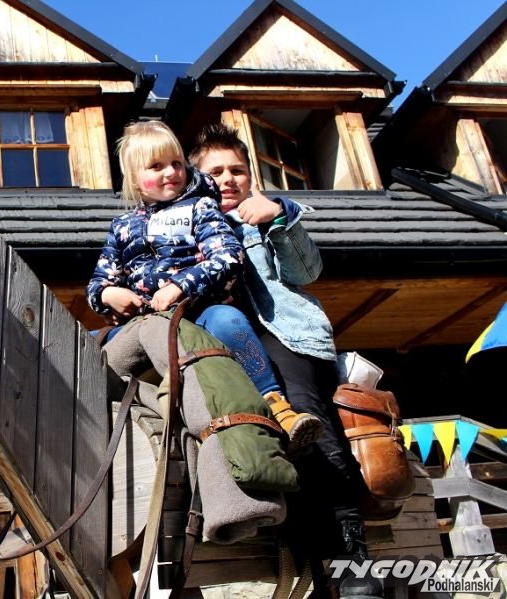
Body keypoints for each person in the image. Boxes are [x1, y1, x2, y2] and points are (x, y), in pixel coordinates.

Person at [189, 123, 381, 598]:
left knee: (309, 428)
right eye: (216, 172)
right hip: (226, 349)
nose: (228, 179)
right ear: (197, 179)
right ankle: (302, 555)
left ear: (251, 177)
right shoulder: (186, 225)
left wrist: (279, 217)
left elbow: (307, 271)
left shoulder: (265, 216)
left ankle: (352, 557)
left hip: (284, 336)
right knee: (258, 442)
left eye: (237, 170)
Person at [86, 120, 322, 453]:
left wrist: (180, 286)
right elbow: (100, 279)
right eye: (156, 166)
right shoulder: (121, 227)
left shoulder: (200, 208)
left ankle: (275, 402)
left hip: (200, 309)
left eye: (176, 163)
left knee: (230, 321)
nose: (171, 172)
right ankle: (87, 423)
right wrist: (108, 294)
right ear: (135, 179)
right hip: (145, 319)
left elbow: (228, 255)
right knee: (85, 343)